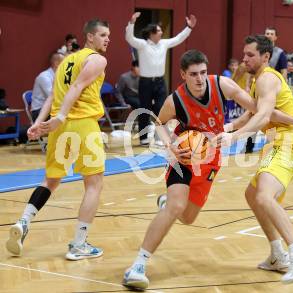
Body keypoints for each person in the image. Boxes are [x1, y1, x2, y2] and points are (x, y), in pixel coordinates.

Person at [121, 49, 293, 290]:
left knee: (188, 217)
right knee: (176, 206)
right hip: (183, 156)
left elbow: (259, 109)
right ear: (183, 74)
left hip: (210, 159)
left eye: (203, 72)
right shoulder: (175, 99)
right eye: (193, 74)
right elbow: (160, 124)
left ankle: (168, 203)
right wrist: (171, 145)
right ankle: (138, 266)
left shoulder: (222, 85)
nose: (199, 79)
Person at [218, 35, 293, 284]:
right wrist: (227, 128)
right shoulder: (257, 81)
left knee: (264, 196)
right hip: (277, 141)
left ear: (265, 56)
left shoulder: (267, 78)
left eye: (250, 55)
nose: (244, 59)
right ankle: (277, 255)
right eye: (244, 54)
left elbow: (263, 117)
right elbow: (261, 111)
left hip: (288, 143)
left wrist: (236, 137)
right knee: (253, 196)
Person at [6, 19, 110, 260]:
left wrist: (38, 123)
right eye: (103, 34)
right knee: (94, 184)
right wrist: (61, 116)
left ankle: (24, 221)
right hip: (82, 124)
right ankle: (78, 244)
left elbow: (53, 94)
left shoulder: (64, 62)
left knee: (50, 181)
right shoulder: (97, 59)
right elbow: (77, 86)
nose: (107, 39)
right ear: (90, 37)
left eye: (108, 35)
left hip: (58, 129)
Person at [125, 12, 197, 146]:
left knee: (161, 110)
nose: (161, 32)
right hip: (145, 82)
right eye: (158, 30)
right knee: (144, 109)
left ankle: (159, 138)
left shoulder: (164, 43)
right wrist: (132, 22)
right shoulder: (142, 44)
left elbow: (178, 38)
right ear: (151, 34)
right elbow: (129, 38)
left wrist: (189, 27)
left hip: (159, 82)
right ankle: (143, 138)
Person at [31, 52, 65, 121]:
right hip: (39, 111)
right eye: (64, 62)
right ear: (56, 63)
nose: (66, 64)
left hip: (52, 109)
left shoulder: (60, 76)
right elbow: (53, 98)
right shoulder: (44, 77)